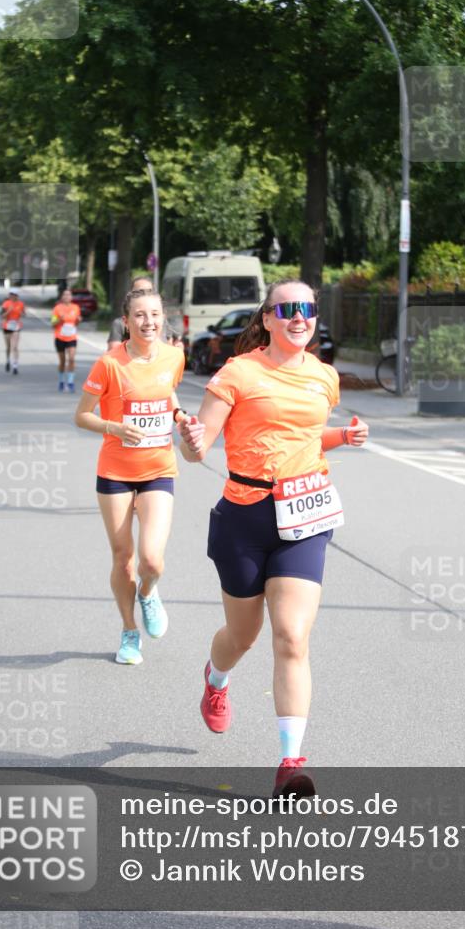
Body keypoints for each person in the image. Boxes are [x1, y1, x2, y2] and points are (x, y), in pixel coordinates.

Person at [179, 279, 368, 796]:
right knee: (242, 636)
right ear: (267, 319)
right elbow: (201, 448)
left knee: (292, 636)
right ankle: (216, 680)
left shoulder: (325, 378)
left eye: (307, 308)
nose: (298, 317)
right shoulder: (238, 373)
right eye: (287, 309)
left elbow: (306, 436)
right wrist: (191, 440)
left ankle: (291, 762)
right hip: (245, 515)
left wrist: (342, 436)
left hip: (304, 514)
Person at [75, 287, 186, 666]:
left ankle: (149, 593)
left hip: (158, 468)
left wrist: (179, 416)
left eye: (155, 314)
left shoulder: (174, 356)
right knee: (124, 558)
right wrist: (115, 428)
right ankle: (129, 631)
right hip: (115, 472)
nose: (148, 322)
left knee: (151, 561)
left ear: (163, 318)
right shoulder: (109, 363)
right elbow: (82, 416)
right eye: (140, 315)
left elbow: (168, 394)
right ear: (126, 321)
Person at [107, 276, 183, 351]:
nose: (149, 322)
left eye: (149, 291)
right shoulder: (119, 324)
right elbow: (114, 351)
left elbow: (169, 349)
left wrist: (176, 348)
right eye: (139, 292)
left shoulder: (161, 322)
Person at [51, 288, 81, 392]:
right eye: (65, 295)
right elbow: (53, 324)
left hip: (72, 337)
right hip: (60, 337)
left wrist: (78, 320)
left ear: (71, 297)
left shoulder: (76, 307)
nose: (67, 297)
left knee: (72, 359)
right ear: (62, 297)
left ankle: (71, 382)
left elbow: (76, 323)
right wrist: (60, 319)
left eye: (69, 295)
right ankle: (61, 381)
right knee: (62, 361)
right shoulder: (57, 308)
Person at [0, 288, 26, 374]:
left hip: (16, 326)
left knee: (15, 346)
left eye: (14, 295)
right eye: (11, 294)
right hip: (6, 326)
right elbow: (2, 316)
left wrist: (21, 313)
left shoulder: (21, 304)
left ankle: (15, 365)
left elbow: (24, 314)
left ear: (17, 296)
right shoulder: (6, 303)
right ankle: (8, 360)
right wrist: (8, 311)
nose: (12, 296)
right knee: (8, 347)